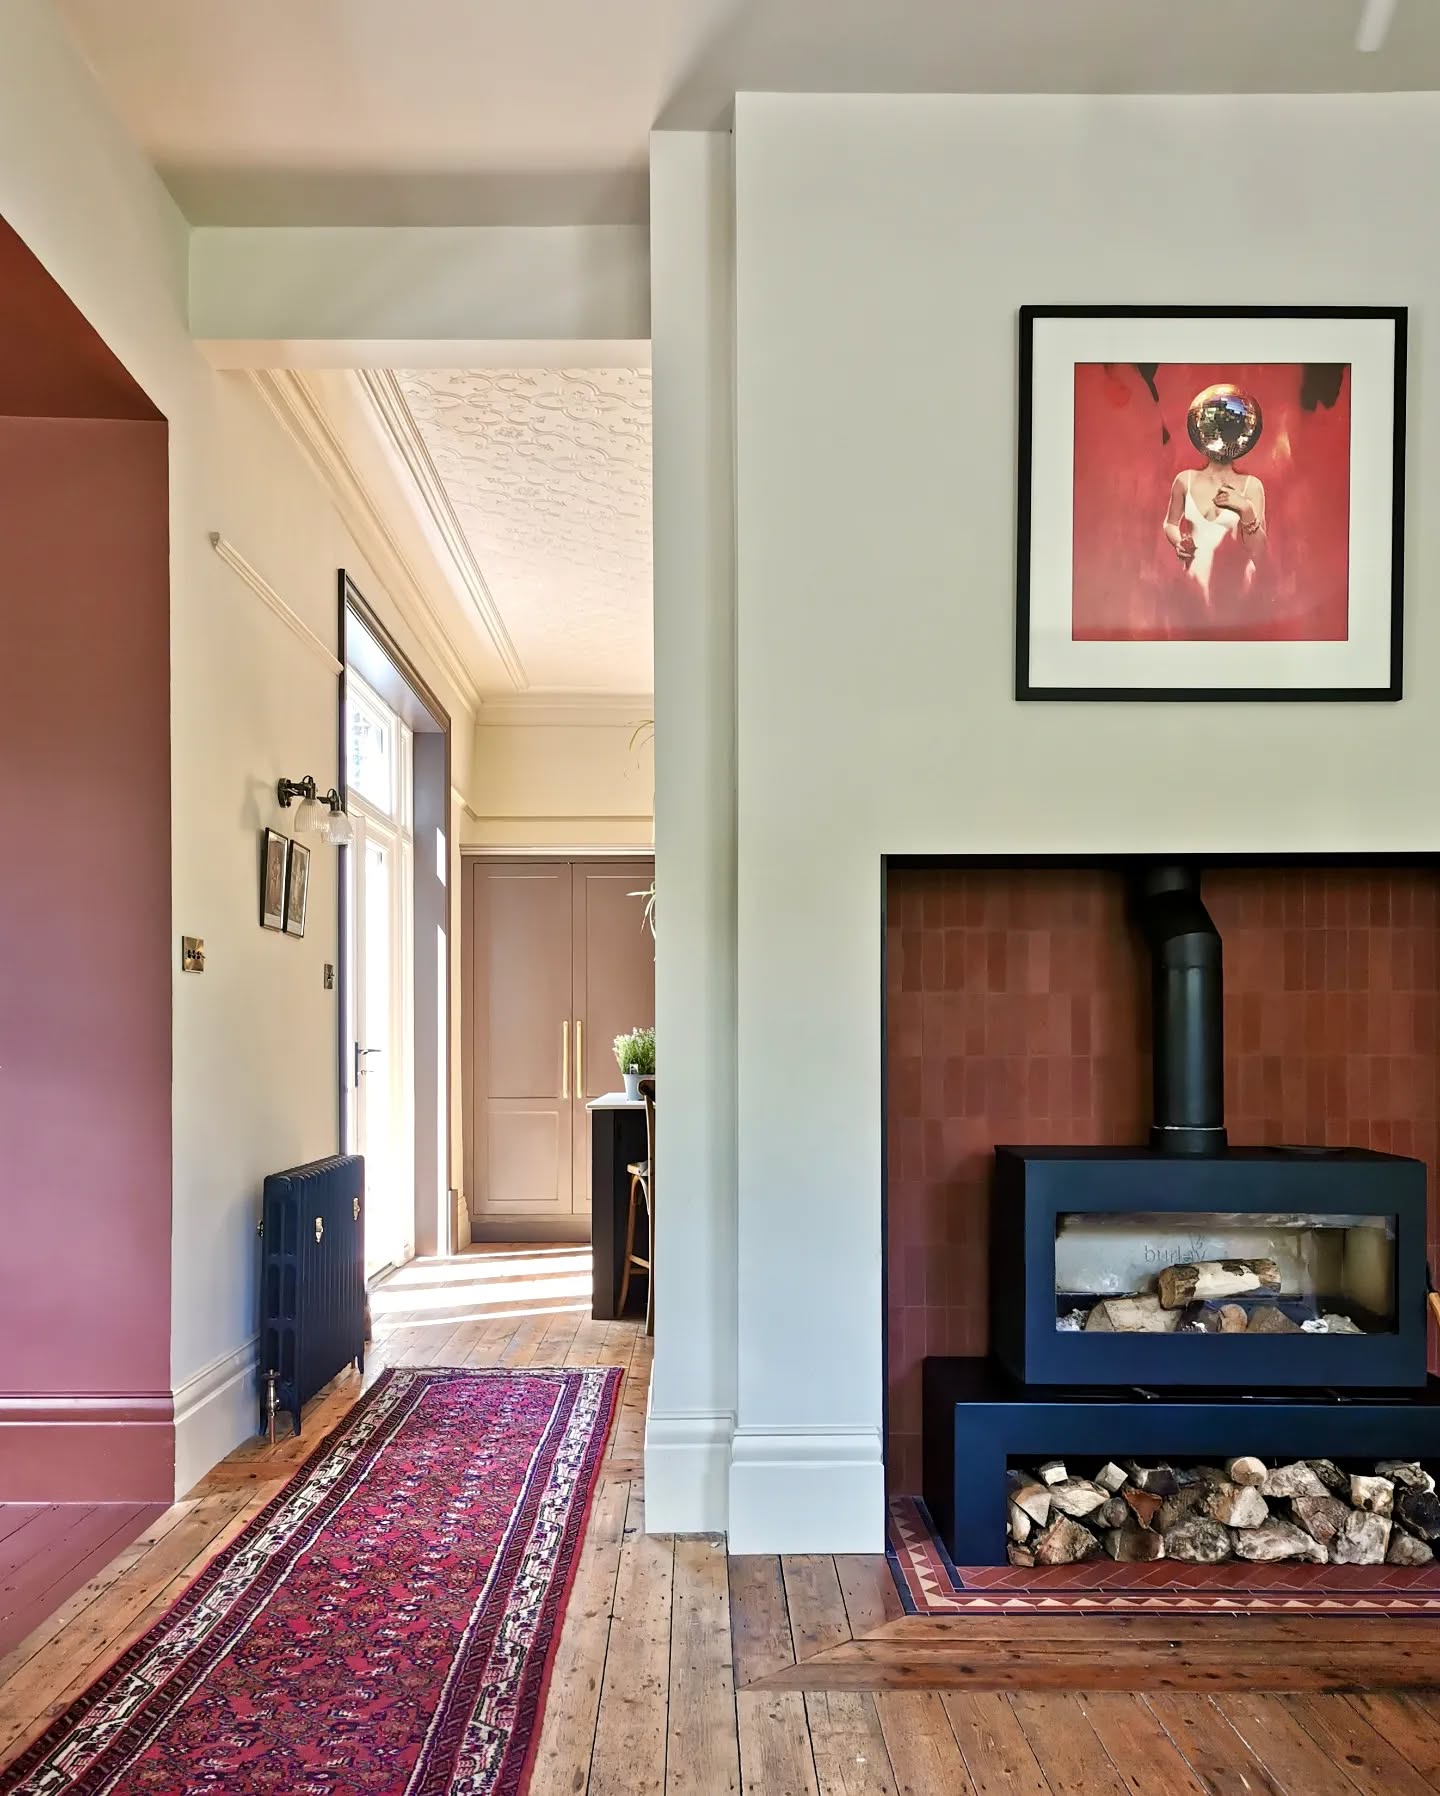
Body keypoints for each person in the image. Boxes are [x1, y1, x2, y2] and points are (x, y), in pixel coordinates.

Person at [1161, 384, 1267, 603]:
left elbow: (1261, 552)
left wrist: (1246, 509)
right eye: (1215, 427)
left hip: (1238, 592)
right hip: (1194, 588)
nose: (1221, 434)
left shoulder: (1251, 486)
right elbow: (1170, 523)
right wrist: (1179, 542)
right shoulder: (1185, 480)